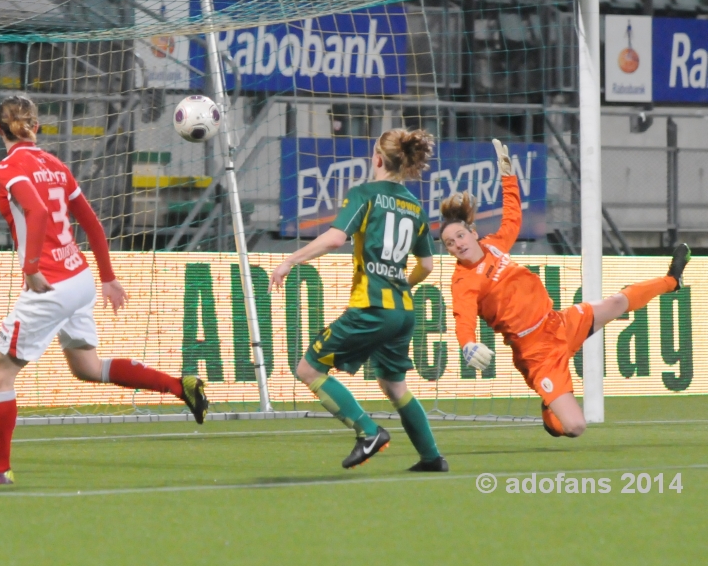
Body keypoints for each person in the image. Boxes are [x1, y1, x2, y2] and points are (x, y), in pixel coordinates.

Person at [0, 95, 209, 486]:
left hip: (51, 284)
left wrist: (32, 267)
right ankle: (180, 385)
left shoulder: (9, 168)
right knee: (88, 368)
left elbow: (36, 213)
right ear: (36, 127)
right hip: (80, 277)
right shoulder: (55, 166)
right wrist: (107, 277)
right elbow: (91, 222)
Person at [441, 139, 691, 437]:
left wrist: (508, 175)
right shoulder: (464, 281)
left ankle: (672, 280)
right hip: (536, 351)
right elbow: (463, 317)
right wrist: (468, 344)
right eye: (449, 243)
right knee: (575, 427)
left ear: (472, 231)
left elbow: (513, 216)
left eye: (460, 236)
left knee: (614, 303)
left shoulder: (493, 245)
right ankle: (550, 409)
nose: (457, 244)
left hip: (558, 323)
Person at [269, 129, 448, 472]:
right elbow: (426, 265)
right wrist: (402, 285)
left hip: (372, 308)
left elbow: (336, 238)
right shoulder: (414, 206)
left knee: (308, 368)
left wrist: (291, 260)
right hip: (403, 310)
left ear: (378, 159)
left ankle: (368, 432)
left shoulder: (364, 194)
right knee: (394, 384)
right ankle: (432, 458)